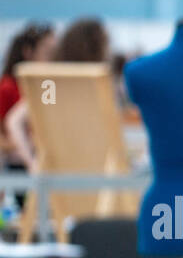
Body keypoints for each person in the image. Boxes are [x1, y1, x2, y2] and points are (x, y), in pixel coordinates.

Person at [5, 18, 110, 169]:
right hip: (63, 168)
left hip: (77, 166)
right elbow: (15, 121)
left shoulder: (68, 84)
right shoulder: (54, 85)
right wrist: (32, 163)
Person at [0, 23, 55, 170]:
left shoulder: (47, 86)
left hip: (41, 160)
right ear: (28, 52)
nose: (51, 60)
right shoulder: (8, 87)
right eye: (47, 53)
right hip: (17, 165)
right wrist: (26, 144)